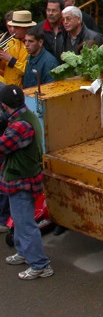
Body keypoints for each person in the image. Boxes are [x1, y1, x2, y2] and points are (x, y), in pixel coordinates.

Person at [1, 85, 53, 280]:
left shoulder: (19, 126)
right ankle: (24, 253)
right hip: (25, 178)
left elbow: (2, 147)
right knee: (20, 220)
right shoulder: (25, 116)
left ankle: (40, 265)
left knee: (24, 224)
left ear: (4, 106)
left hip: (21, 180)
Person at [1, 10, 33, 87]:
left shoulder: (32, 46)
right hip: (7, 87)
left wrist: (11, 59)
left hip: (22, 90)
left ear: (26, 28)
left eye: (16, 27)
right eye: (11, 27)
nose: (12, 30)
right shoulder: (12, 42)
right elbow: (4, 68)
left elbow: (27, 71)